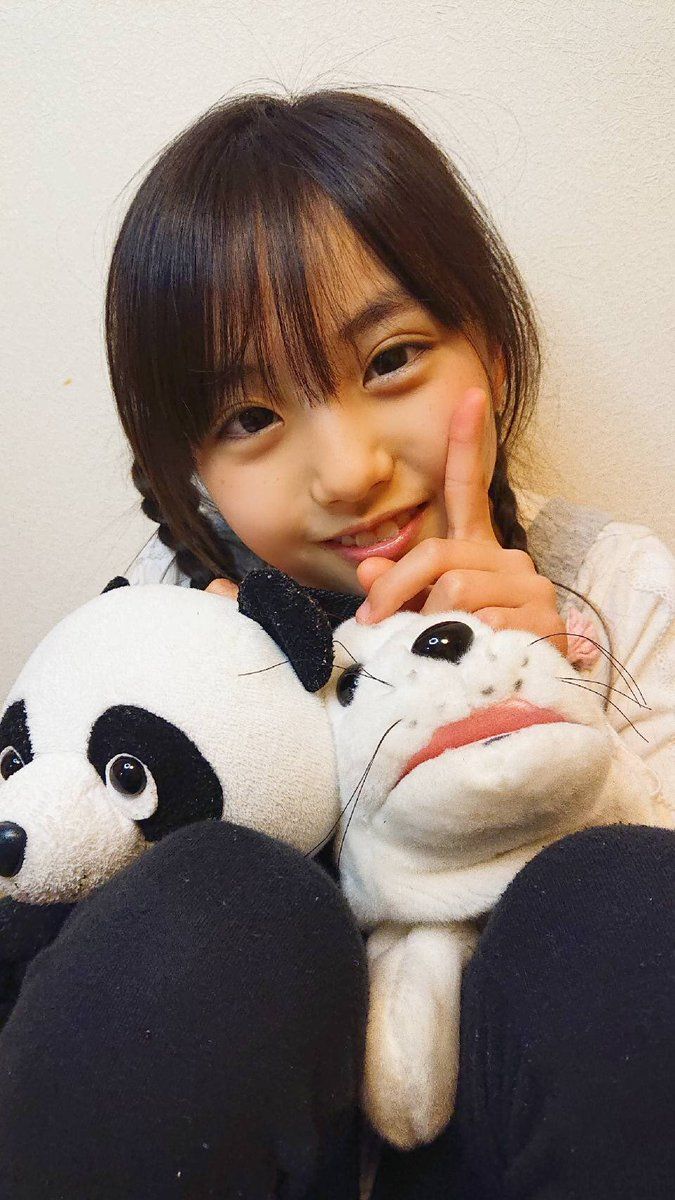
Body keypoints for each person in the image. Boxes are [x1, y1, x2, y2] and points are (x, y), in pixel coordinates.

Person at [0, 89, 673, 1199]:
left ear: (492, 352)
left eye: (391, 358)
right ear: (193, 475)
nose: (349, 471)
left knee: (614, 896)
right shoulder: (164, 628)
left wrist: (549, 723)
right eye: (250, 419)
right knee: (217, 898)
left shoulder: (614, 588)